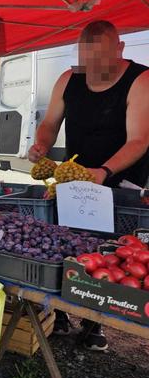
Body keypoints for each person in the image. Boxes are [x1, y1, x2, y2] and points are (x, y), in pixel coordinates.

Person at [29, 20, 149, 351]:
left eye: (101, 62)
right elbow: (50, 123)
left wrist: (104, 171)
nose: (93, 70)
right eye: (88, 62)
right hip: (75, 182)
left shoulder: (141, 80)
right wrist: (41, 144)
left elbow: (140, 140)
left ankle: (95, 323)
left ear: (120, 50)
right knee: (68, 243)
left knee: (108, 251)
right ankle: (61, 313)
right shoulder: (69, 79)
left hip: (122, 184)